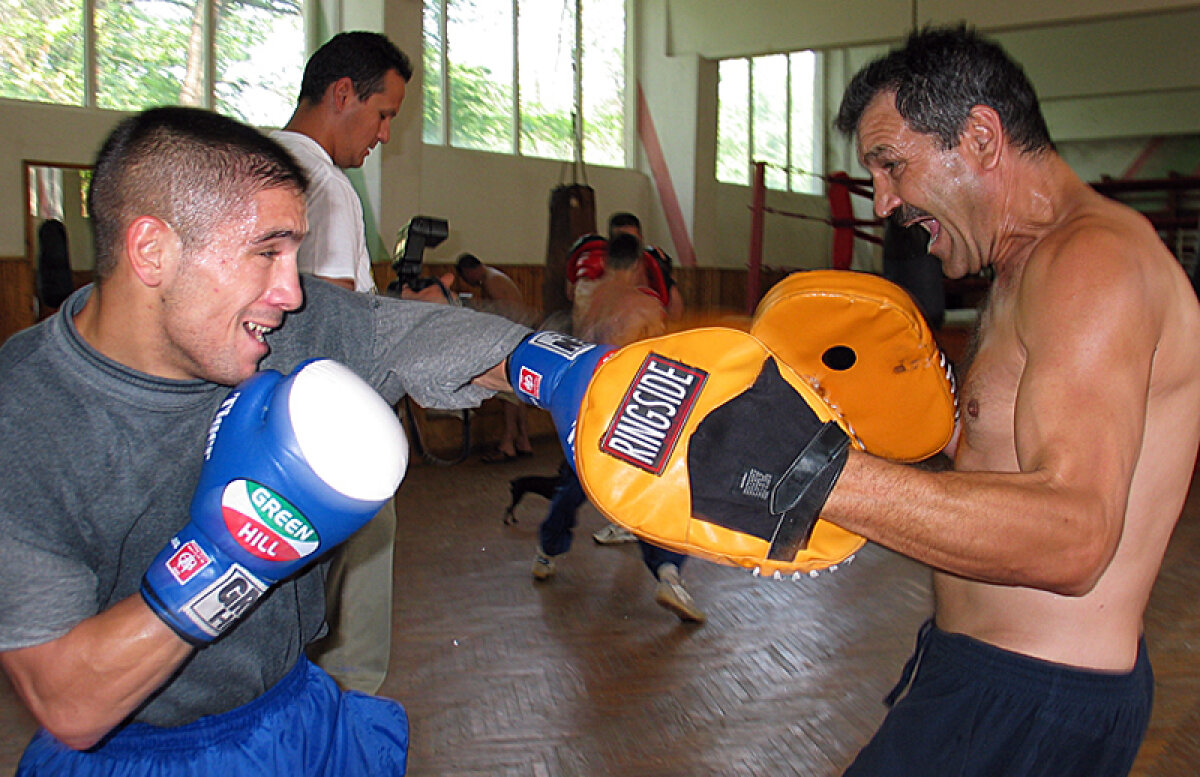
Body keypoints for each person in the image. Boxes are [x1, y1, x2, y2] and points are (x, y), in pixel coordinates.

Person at [0, 106, 528, 775]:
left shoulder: (279, 327)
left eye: (295, 254)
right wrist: (235, 548)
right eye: (266, 251)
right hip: (136, 756)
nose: (293, 292)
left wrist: (575, 376)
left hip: (292, 716)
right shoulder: (23, 416)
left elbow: (420, 334)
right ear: (152, 251)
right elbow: (67, 699)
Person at [821, 25, 1200, 775]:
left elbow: (1075, 534)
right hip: (995, 684)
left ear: (983, 137)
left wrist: (817, 476)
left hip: (1030, 702)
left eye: (892, 164)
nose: (886, 200)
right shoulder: (1026, 268)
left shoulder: (1092, 262)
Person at [269, 31, 425, 695]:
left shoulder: (245, 160)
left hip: (251, 427)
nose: (384, 134)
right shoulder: (325, 187)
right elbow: (328, 329)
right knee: (366, 553)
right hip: (320, 434)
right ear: (341, 95)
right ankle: (348, 716)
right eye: (383, 114)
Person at [532, 233, 706, 624]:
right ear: (638, 266)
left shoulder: (587, 296)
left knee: (573, 484)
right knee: (648, 491)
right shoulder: (646, 304)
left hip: (588, 404)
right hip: (634, 408)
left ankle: (547, 553)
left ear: (608, 262)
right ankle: (667, 573)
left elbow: (576, 347)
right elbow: (663, 360)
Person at [455, 252, 537, 462]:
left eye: (466, 277)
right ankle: (523, 441)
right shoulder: (494, 278)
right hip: (520, 336)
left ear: (470, 271)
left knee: (507, 393)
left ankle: (508, 443)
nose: (468, 283)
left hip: (512, 338)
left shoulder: (492, 282)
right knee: (517, 394)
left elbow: (506, 314)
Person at [607, 211, 684, 321]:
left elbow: (676, 315)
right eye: (621, 241)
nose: (627, 247)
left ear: (640, 238)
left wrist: (665, 276)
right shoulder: (598, 270)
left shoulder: (652, 265)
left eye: (631, 241)